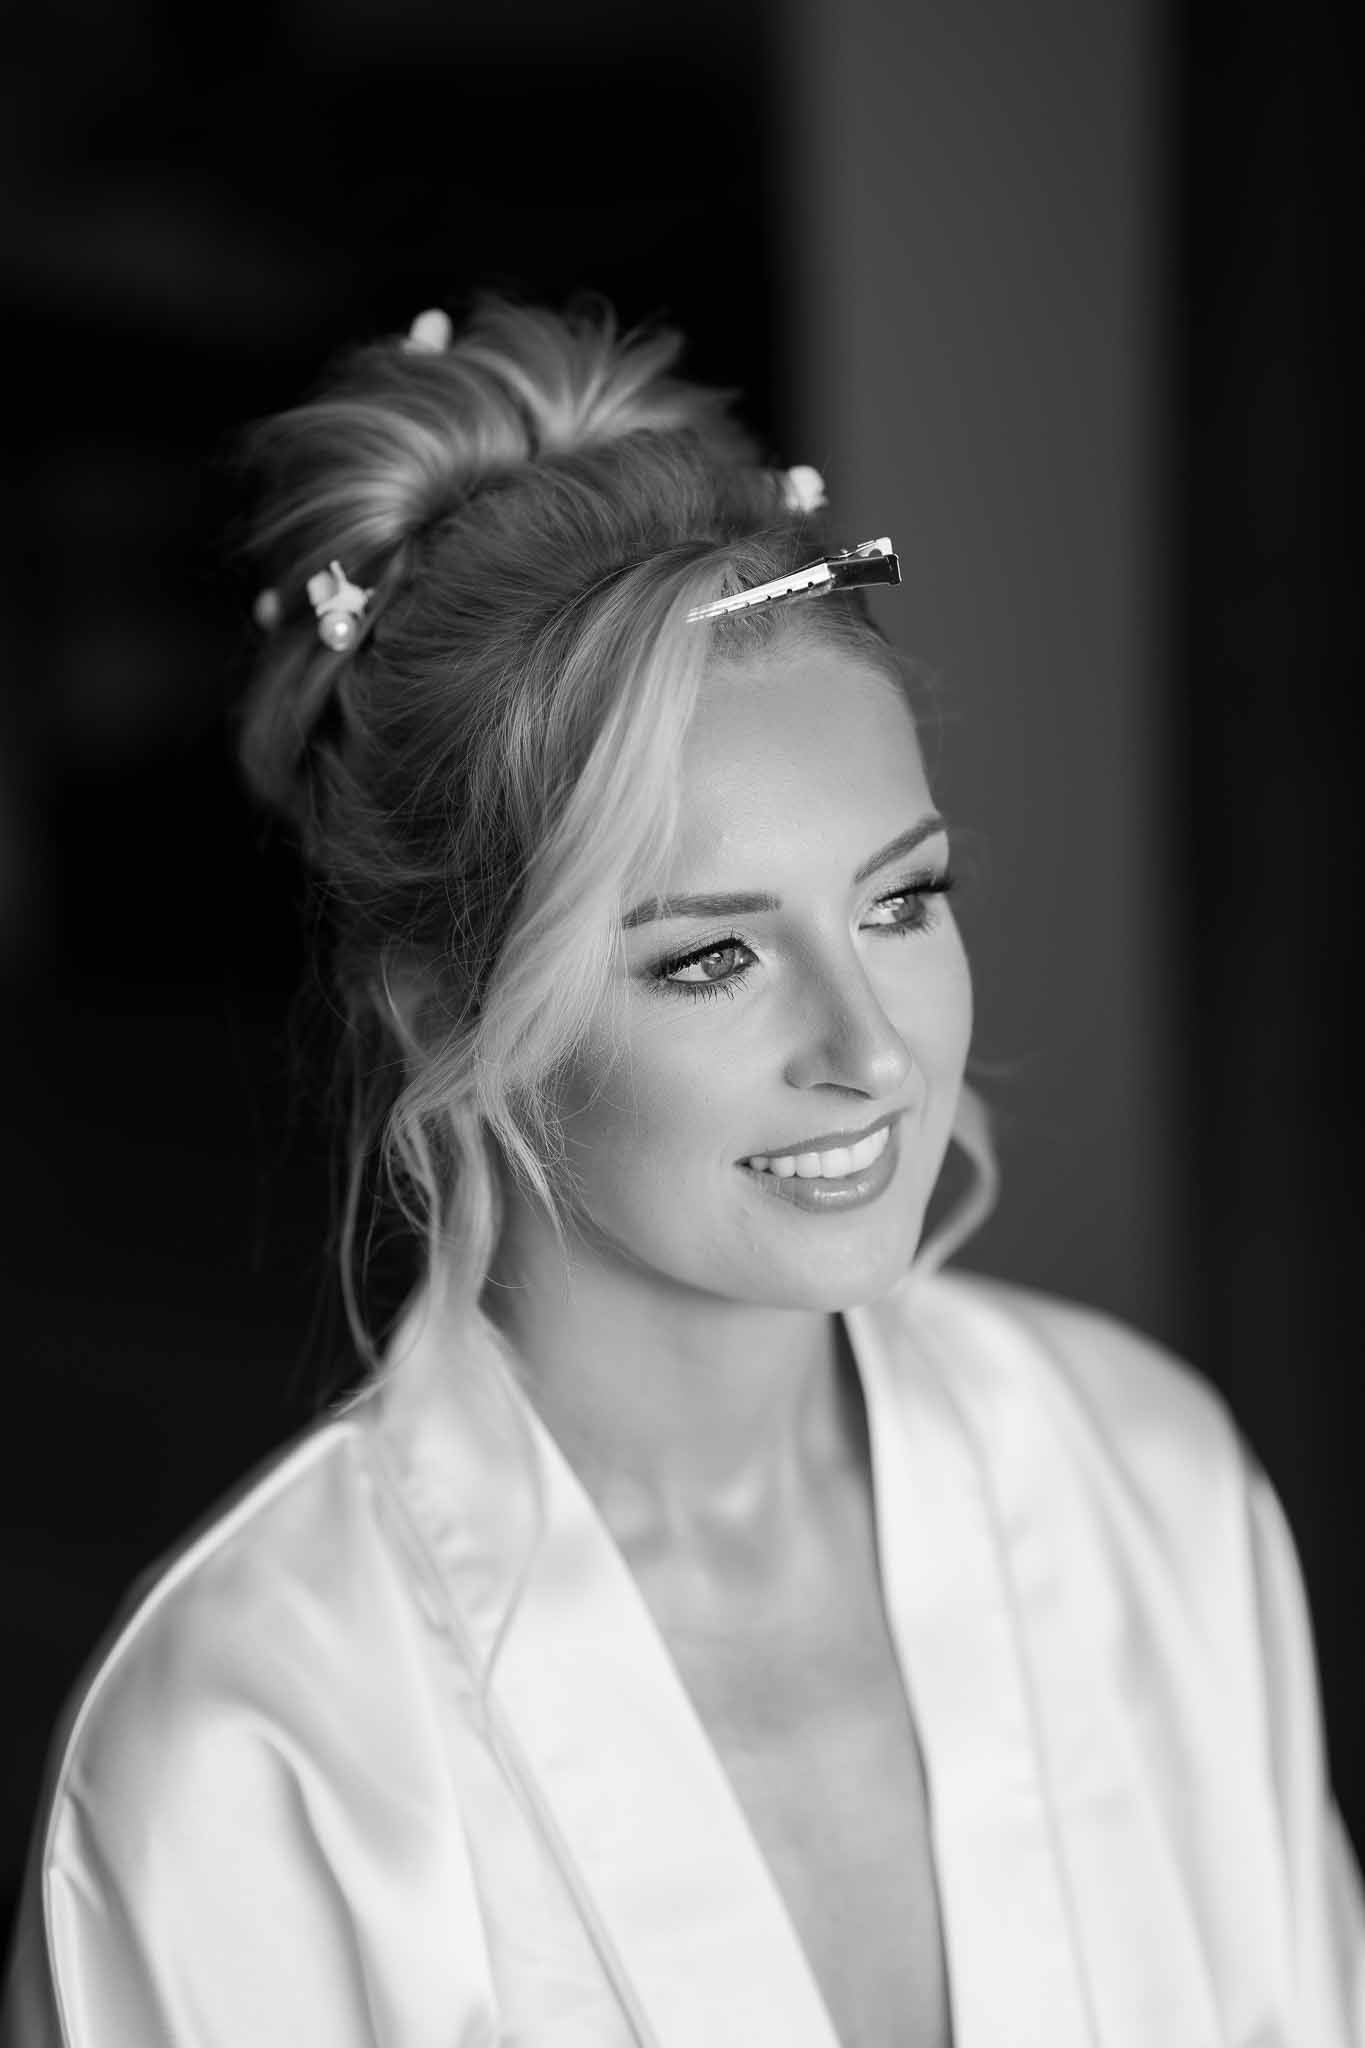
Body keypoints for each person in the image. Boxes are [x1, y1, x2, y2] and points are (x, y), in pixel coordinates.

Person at [3, 297, 1361, 2048]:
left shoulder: (1151, 1501)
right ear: (452, 1018)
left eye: (900, 900)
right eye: (709, 959)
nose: (869, 1049)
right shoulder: (253, 1755)